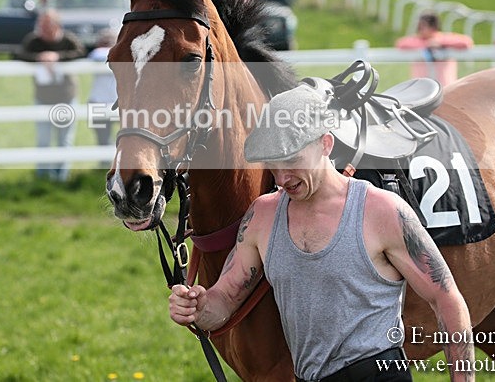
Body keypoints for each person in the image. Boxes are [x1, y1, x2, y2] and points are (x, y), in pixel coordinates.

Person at [169, 85, 475, 382]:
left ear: (325, 144)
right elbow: (224, 300)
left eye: (291, 160)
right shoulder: (262, 217)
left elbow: (446, 298)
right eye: (272, 165)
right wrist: (198, 307)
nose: (282, 177)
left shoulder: (380, 211)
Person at [16, 9, 85, 181]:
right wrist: (40, 58)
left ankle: (61, 177)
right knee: (43, 140)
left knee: (64, 140)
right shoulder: (34, 41)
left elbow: (81, 53)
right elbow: (19, 54)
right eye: (41, 25)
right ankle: (42, 176)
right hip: (43, 97)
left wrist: (57, 57)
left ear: (57, 25)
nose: (43, 29)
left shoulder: (68, 40)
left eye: (47, 25)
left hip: (66, 97)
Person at [395, 12, 474, 87]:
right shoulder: (416, 41)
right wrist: (426, 44)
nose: (419, 30)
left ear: (433, 27)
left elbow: (467, 42)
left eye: (422, 27)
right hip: (421, 87)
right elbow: (400, 44)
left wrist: (440, 43)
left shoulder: (445, 39)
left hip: (445, 86)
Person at [87, 29, 118, 154]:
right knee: (102, 139)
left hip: (119, 102)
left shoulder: (122, 55)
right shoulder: (96, 55)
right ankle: (104, 165)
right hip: (98, 102)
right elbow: (97, 54)